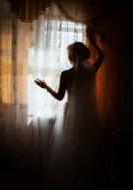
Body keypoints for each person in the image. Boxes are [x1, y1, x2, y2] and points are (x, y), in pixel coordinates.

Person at [34, 27, 105, 189]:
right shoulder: (91, 71)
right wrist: (92, 40)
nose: (67, 56)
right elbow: (102, 56)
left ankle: (71, 179)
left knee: (70, 146)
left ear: (73, 56)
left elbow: (59, 97)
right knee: (86, 147)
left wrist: (46, 87)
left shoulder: (66, 74)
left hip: (71, 115)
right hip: (90, 115)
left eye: (69, 53)